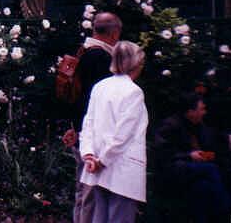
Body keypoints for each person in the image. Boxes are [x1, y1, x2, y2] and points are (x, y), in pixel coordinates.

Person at [78, 40, 148, 223]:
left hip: (98, 167)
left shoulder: (100, 87)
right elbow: (123, 134)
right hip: (120, 167)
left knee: (99, 217)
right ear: (135, 64)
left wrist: (88, 155)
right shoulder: (134, 92)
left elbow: (88, 124)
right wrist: (101, 161)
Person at [62, 12, 121, 222]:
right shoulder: (101, 58)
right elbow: (97, 101)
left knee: (83, 190)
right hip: (92, 135)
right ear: (114, 33)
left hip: (81, 130)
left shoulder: (83, 52)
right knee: (90, 192)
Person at [153, 93, 231, 223]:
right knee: (211, 169)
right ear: (190, 112)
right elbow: (162, 154)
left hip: (191, 172)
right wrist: (189, 156)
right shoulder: (169, 125)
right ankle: (226, 211)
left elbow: (213, 137)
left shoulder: (197, 124)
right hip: (172, 169)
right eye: (201, 109)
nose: (204, 112)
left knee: (203, 187)